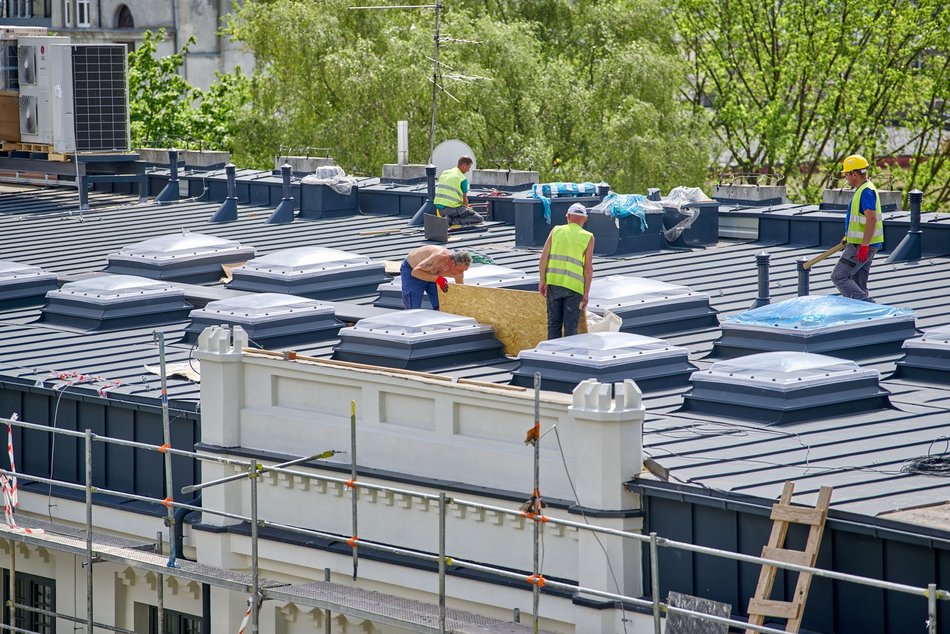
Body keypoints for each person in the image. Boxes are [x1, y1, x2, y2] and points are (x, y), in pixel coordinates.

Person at [538, 202, 595, 339]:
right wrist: (586, 293)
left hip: (554, 284)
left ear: (568, 216)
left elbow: (543, 257)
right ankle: (568, 356)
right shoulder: (588, 237)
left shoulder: (556, 230)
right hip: (574, 289)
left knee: (553, 324)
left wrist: (542, 281)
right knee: (571, 326)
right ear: (585, 219)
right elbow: (588, 268)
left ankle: (552, 355)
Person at [831, 154, 883, 302]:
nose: (846, 178)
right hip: (861, 243)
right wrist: (848, 236)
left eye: (847, 174)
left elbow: (871, 219)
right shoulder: (863, 189)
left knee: (839, 276)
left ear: (854, 173)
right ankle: (866, 314)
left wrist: (864, 245)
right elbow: (858, 220)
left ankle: (867, 305)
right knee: (858, 281)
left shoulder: (866, 191)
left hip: (861, 245)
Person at [400, 245, 472, 310]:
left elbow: (460, 291)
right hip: (413, 270)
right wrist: (437, 279)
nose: (461, 273)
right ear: (452, 263)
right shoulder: (438, 258)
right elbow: (415, 272)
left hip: (433, 275)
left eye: (464, 270)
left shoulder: (458, 272)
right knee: (413, 307)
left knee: (441, 305)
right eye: (460, 270)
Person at [433, 155, 483, 226]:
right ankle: (453, 221)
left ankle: (449, 218)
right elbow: (465, 200)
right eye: (468, 168)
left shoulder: (445, 173)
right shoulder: (462, 178)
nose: (468, 170)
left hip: (440, 210)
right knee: (479, 219)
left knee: (459, 211)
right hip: (452, 209)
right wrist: (466, 208)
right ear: (464, 165)